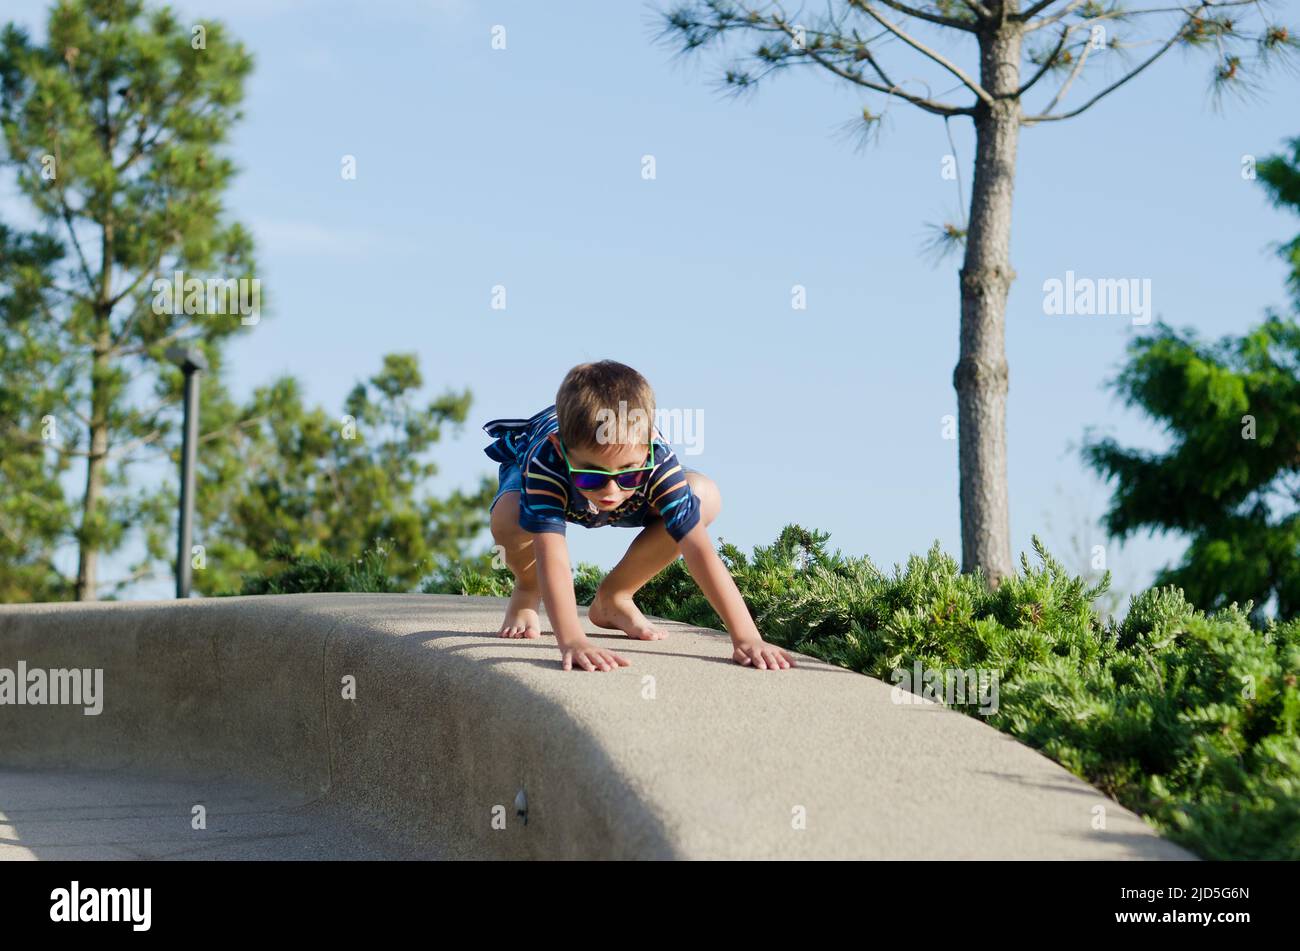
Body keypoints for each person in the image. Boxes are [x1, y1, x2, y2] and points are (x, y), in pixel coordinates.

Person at [482, 360, 796, 672]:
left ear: (646, 450)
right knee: (508, 516)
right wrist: (573, 641)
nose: (610, 490)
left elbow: (698, 548)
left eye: (627, 475)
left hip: (637, 499)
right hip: (546, 481)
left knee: (704, 496)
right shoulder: (547, 459)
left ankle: (615, 596)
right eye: (593, 475)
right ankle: (527, 588)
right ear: (561, 449)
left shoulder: (657, 461)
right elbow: (552, 553)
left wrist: (746, 637)